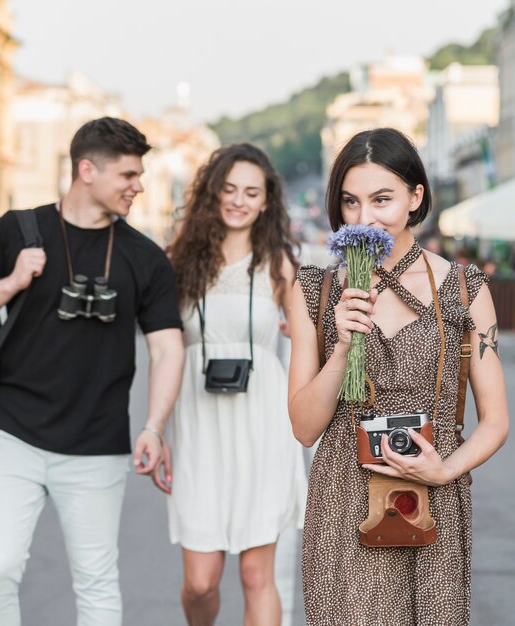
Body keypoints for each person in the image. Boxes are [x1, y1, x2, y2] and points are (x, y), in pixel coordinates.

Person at [0, 117, 185, 626]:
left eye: (140, 175)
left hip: (96, 442)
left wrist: (154, 426)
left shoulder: (144, 257)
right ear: (87, 170)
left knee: (96, 580)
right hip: (12, 431)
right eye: (128, 175)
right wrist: (12, 282)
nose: (138, 186)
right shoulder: (19, 230)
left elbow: (167, 349)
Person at [288, 128, 509, 625]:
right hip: (344, 494)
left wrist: (444, 471)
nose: (365, 218)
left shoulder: (464, 288)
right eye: (350, 202)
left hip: (433, 494)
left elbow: (495, 421)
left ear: (416, 197)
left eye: (381, 199)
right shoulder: (315, 289)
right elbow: (303, 427)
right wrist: (343, 346)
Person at [165, 143, 307, 625]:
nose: (239, 201)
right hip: (197, 424)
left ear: (266, 201)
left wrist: (301, 330)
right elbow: (160, 351)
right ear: (212, 193)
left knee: (254, 575)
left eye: (251, 192)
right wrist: (153, 425)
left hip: (262, 423)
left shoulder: (280, 266)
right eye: (229, 189)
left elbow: (312, 343)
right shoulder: (177, 264)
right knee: (200, 581)